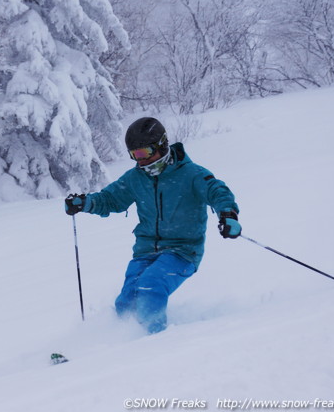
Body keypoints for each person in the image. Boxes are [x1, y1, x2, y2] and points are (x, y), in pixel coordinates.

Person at [64, 117, 241, 334]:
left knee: (151, 284)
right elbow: (111, 199)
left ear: (162, 145)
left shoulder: (191, 174)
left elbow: (217, 190)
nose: (141, 161)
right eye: (134, 155)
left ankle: (152, 343)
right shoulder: (136, 178)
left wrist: (228, 214)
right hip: (146, 251)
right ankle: (116, 342)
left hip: (183, 250)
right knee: (127, 300)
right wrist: (85, 203)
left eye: (144, 153)